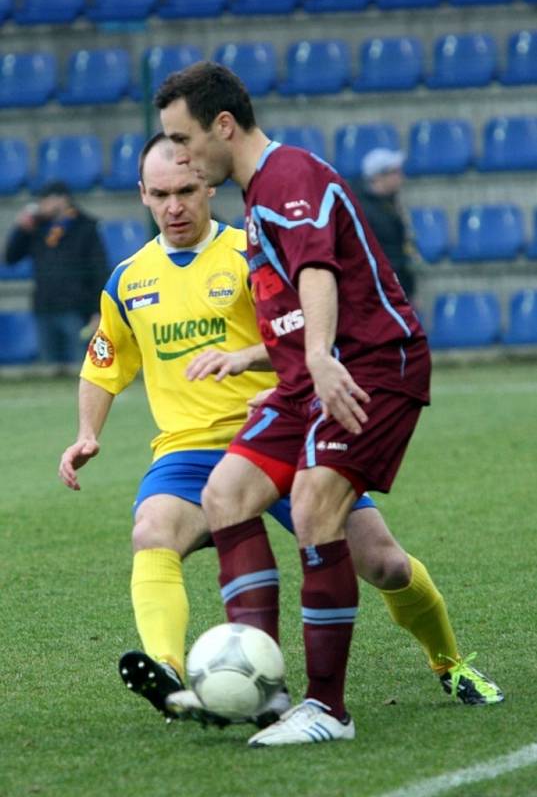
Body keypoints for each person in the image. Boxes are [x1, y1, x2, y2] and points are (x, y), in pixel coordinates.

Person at [58, 134, 500, 733]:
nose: (174, 207)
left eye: (186, 191)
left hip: (284, 431)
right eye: (160, 195)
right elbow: (103, 363)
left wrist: (269, 368)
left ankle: (450, 663)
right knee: (151, 532)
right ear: (142, 195)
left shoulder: (252, 254)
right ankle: (167, 672)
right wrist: (88, 433)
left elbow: (308, 333)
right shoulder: (128, 280)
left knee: (386, 565)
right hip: (189, 450)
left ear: (208, 187)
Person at [155, 63, 503, 747]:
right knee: (225, 494)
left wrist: (317, 356)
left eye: (183, 138)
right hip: (306, 377)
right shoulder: (256, 200)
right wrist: (257, 356)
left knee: (315, 505)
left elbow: (318, 272)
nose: (180, 156)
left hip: (372, 365)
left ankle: (327, 709)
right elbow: (295, 305)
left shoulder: (288, 177)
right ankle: (256, 682)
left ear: (223, 126)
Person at [4, 180, 109, 366]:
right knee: (48, 369)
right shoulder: (37, 228)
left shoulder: (85, 227)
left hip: (76, 309)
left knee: (80, 366)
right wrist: (21, 229)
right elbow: (11, 257)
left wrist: (98, 310)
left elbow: (99, 271)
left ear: (63, 200)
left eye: (46, 200)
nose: (42, 205)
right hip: (45, 307)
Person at [350, 147, 417, 302]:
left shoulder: (389, 203)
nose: (400, 176)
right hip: (379, 289)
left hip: (394, 284)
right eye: (395, 172)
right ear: (378, 177)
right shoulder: (364, 211)